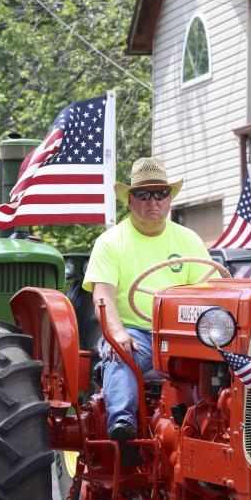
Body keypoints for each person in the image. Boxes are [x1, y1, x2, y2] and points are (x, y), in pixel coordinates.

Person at [82, 157, 213, 448]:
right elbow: (102, 296)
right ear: (130, 200)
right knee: (120, 354)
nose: (153, 201)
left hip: (183, 335)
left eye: (161, 194)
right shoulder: (111, 242)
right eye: (144, 195)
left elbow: (208, 292)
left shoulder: (189, 240)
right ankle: (122, 424)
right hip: (137, 334)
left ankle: (224, 424)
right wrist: (117, 333)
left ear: (169, 199)